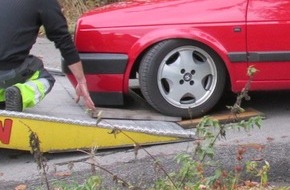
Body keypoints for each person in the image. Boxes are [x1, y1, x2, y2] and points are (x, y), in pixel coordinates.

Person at [0, 0, 96, 112]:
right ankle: (21, 95)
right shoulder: (43, 2)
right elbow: (63, 40)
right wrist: (81, 80)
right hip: (8, 68)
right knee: (45, 78)